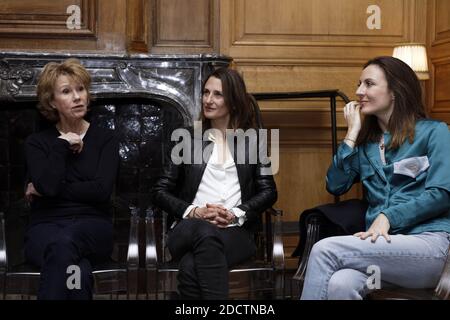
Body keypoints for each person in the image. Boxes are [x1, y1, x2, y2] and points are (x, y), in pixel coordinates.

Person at [301, 56, 450, 300]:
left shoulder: (434, 132)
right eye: (359, 84)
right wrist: (352, 133)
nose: (359, 91)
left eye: (369, 84)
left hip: (429, 246)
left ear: (395, 91)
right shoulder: (366, 145)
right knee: (340, 283)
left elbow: (441, 195)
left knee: (324, 249)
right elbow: (335, 184)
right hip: (382, 253)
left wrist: (387, 216)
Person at [151, 67, 277, 299]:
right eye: (206, 92)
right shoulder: (186, 138)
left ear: (235, 101)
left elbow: (269, 192)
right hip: (188, 228)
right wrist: (195, 212)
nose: (208, 100)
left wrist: (235, 213)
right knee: (204, 230)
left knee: (190, 268)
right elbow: (159, 191)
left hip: (236, 231)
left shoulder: (253, 140)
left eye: (217, 94)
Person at [24, 58, 119, 300]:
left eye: (81, 89)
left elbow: (100, 191)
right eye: (66, 91)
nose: (77, 97)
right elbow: (49, 185)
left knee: (65, 243)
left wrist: (46, 191)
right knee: (77, 270)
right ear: (51, 102)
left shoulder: (105, 139)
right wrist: (62, 145)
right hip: (45, 227)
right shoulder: (37, 143)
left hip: (93, 226)